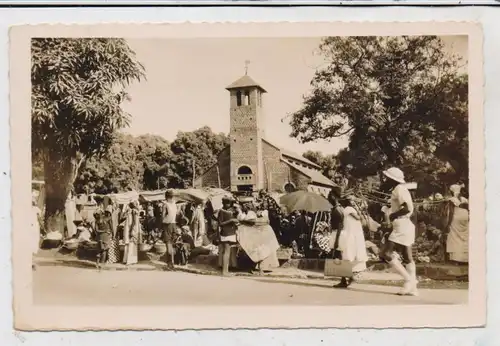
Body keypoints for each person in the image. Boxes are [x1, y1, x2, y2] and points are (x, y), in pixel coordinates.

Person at [379, 167, 418, 296]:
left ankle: (409, 280)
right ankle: (413, 288)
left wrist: (392, 216)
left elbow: (406, 208)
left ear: (392, 179)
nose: (385, 179)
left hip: (401, 224)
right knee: (407, 257)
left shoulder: (398, 189)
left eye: (387, 177)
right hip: (405, 224)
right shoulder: (401, 189)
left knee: (386, 253)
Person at [333, 195, 369, 288]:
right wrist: (359, 209)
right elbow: (358, 218)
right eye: (352, 201)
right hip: (350, 235)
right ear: (348, 202)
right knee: (347, 256)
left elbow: (363, 221)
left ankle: (346, 279)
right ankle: (345, 279)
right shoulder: (349, 209)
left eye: (354, 201)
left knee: (349, 256)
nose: (353, 202)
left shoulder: (351, 209)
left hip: (353, 235)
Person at [445, 184, 469, 263]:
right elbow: (468, 208)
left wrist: (448, 224)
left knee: (455, 237)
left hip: (456, 218)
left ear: (452, 191)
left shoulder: (452, 199)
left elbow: (451, 212)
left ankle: (457, 259)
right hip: (465, 217)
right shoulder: (464, 199)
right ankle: (465, 258)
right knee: (464, 236)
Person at [217, 196, 239, 276]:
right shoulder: (221, 211)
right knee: (226, 252)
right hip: (226, 232)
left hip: (231, 232)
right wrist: (231, 220)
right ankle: (224, 271)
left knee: (227, 252)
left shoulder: (232, 211)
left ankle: (226, 270)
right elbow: (220, 223)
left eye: (229, 203)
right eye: (227, 203)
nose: (228, 204)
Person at [161, 189, 177, 270]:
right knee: (172, 245)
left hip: (167, 226)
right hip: (174, 225)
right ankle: (172, 263)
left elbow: (163, 218)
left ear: (166, 197)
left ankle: (169, 264)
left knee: (168, 246)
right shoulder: (174, 204)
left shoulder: (165, 205)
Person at [123, 201, 140, 265]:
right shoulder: (131, 211)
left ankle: (130, 260)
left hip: (131, 229)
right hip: (130, 228)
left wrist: (131, 230)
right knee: (130, 244)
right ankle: (128, 260)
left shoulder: (133, 211)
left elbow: (134, 222)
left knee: (131, 243)